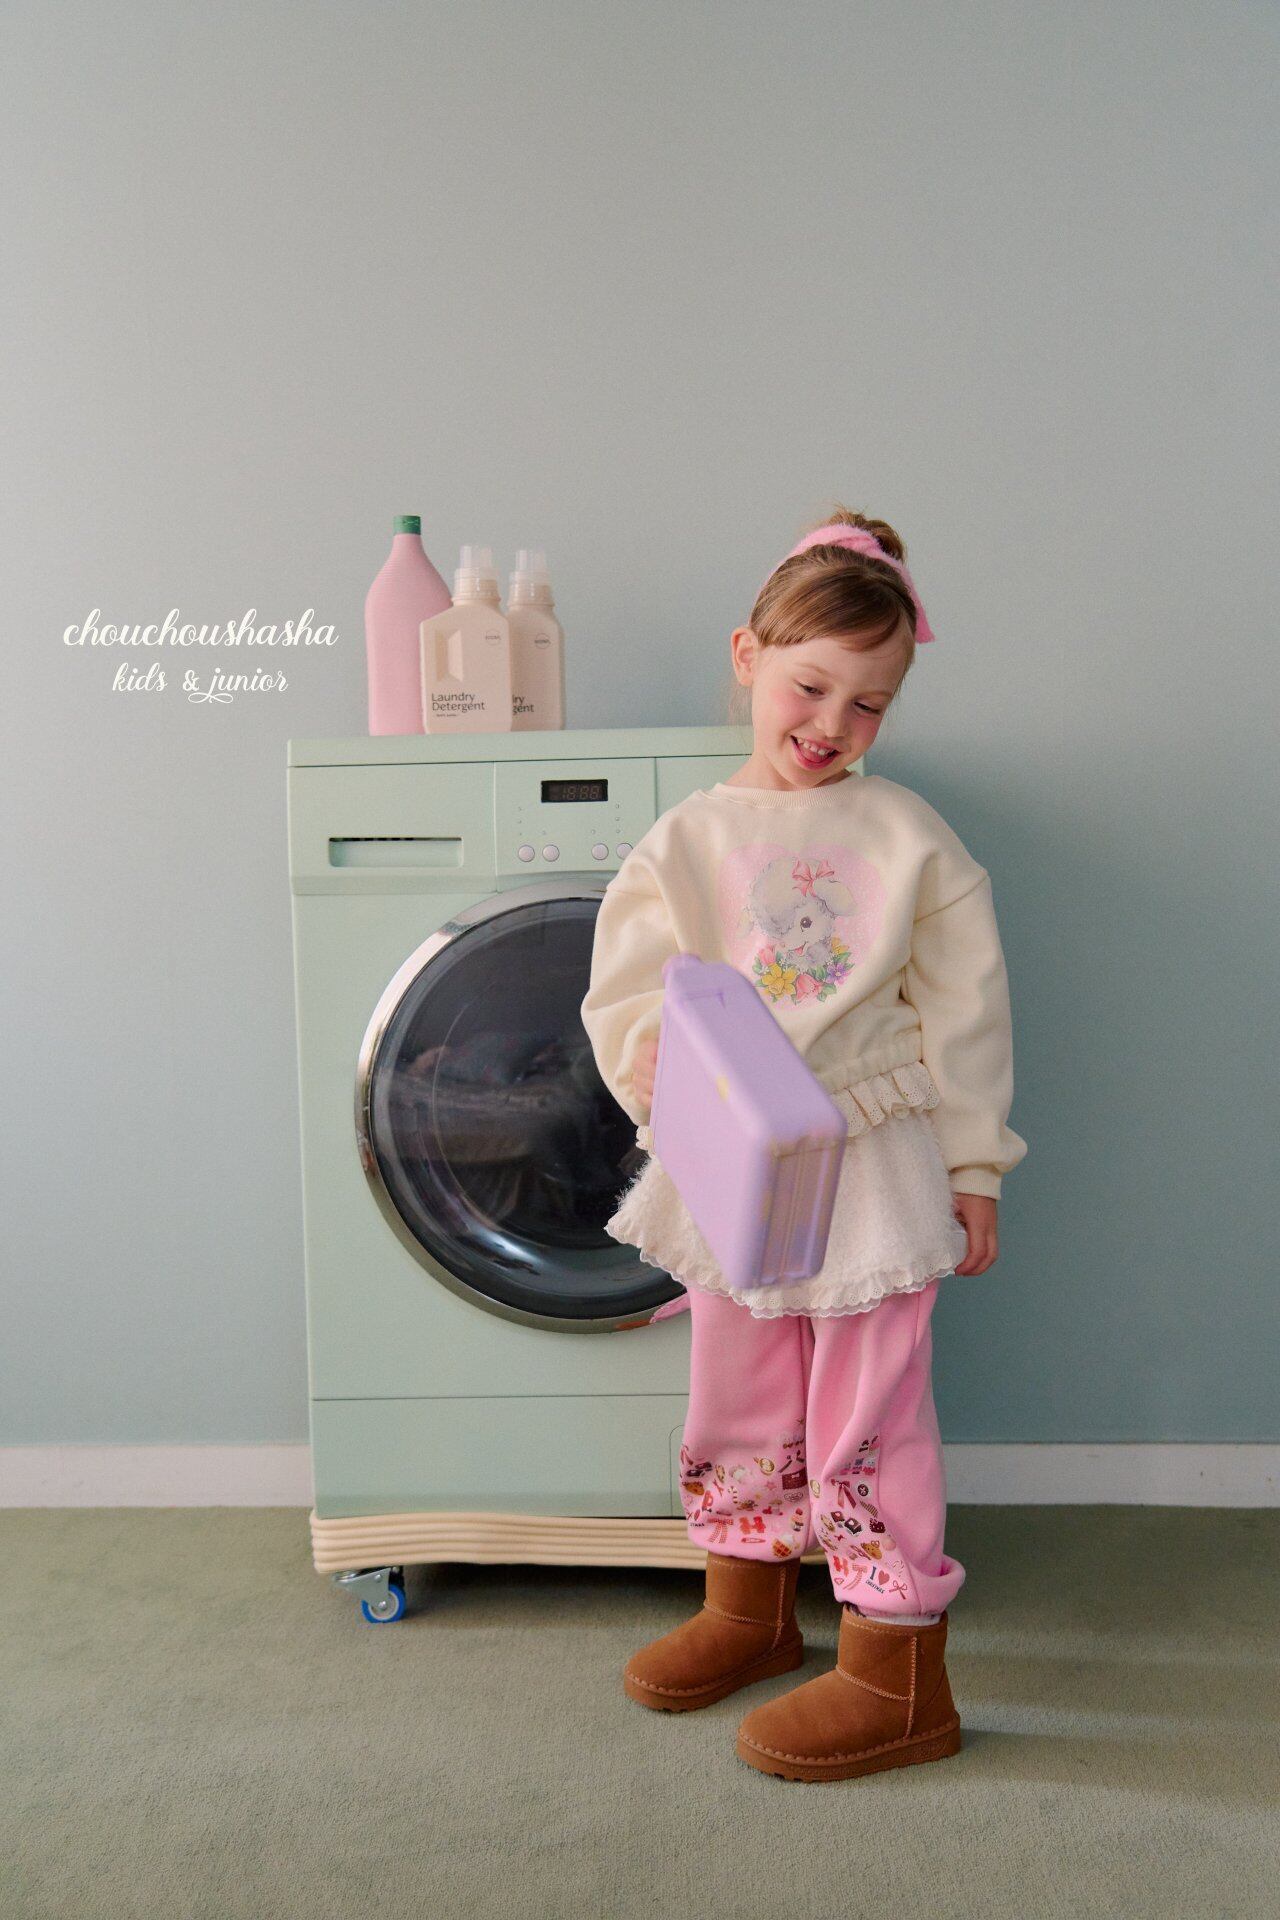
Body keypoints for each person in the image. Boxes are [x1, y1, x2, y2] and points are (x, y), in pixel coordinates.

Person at [579, 506, 1028, 1783]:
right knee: (736, 1384)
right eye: (810, 685)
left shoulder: (909, 838)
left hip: (872, 1157)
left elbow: (966, 1014)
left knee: (869, 1409)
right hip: (733, 1157)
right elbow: (626, 990)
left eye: (869, 703)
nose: (832, 722)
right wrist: (651, 1067)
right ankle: (747, 1607)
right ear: (748, 656)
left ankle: (894, 1670)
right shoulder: (686, 839)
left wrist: (974, 1169)